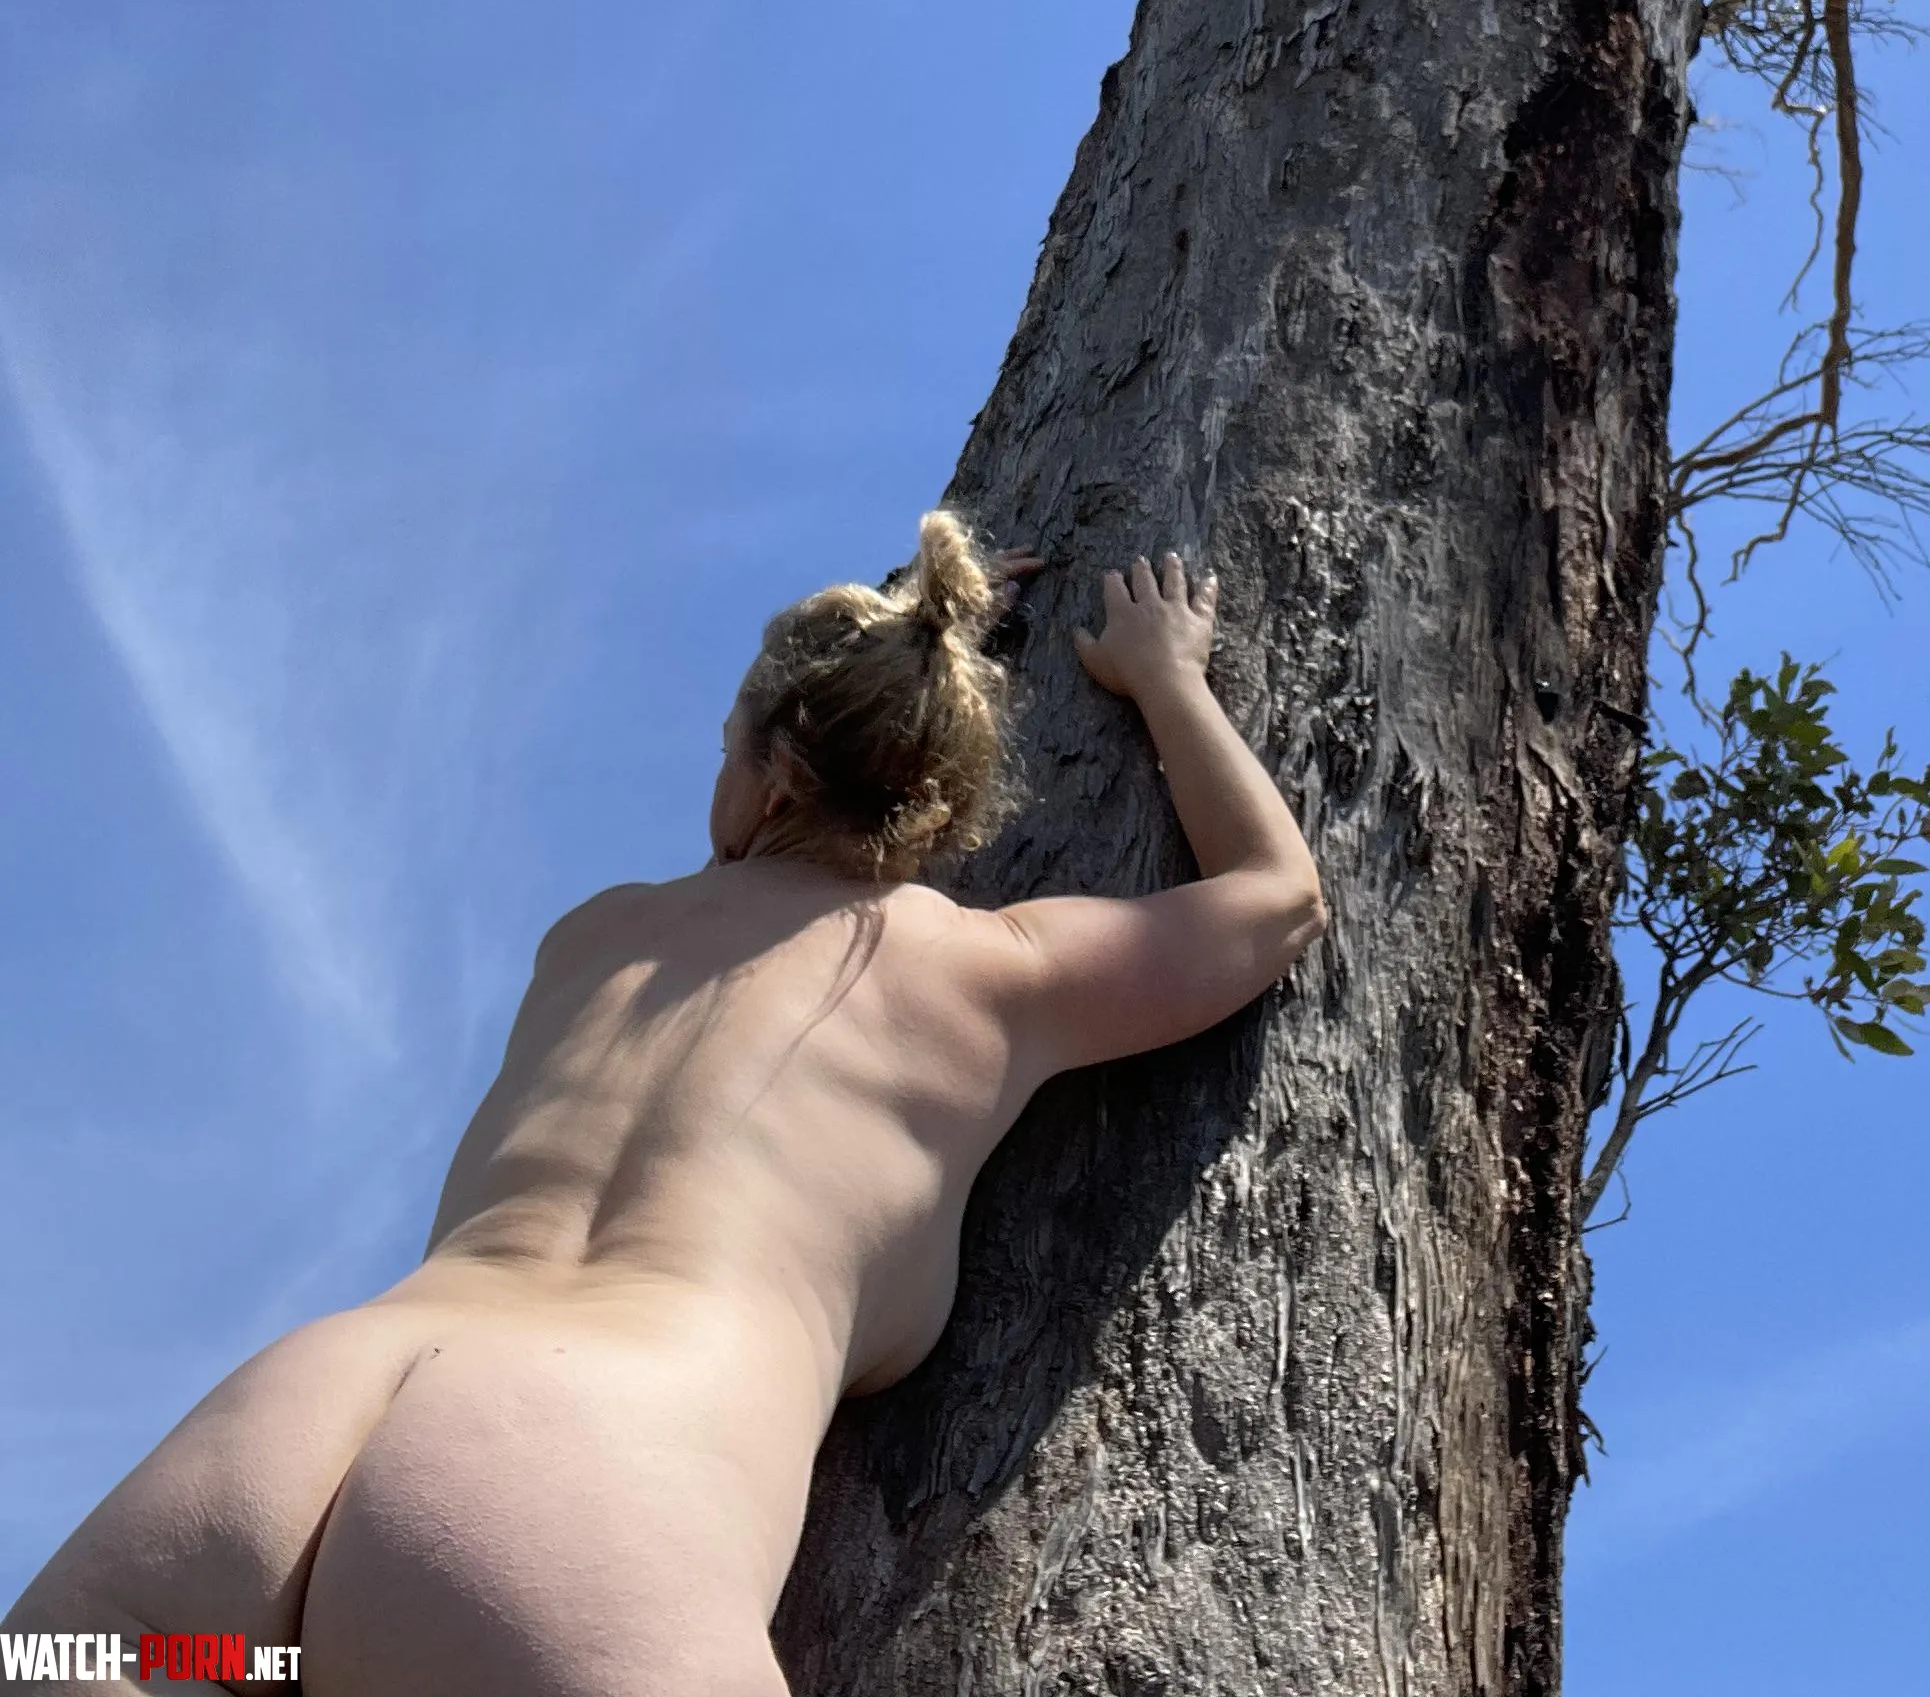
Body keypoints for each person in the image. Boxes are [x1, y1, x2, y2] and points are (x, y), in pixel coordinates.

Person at [6, 524, 1325, 1695]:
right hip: (565, 1511)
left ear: (765, 779)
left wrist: (893, 652)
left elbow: (762, 835)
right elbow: (1276, 901)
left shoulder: (595, 939)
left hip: (272, 1509)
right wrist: (1164, 678)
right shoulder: (990, 974)